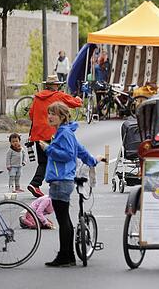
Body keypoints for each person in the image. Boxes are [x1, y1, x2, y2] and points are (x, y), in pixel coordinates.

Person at [39, 102, 103, 267]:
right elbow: (80, 151)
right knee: (65, 219)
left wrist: (48, 149)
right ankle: (69, 256)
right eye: (49, 113)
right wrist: (92, 161)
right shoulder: (67, 133)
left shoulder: (64, 133)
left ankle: (64, 256)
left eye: (53, 114)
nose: (50, 117)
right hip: (63, 180)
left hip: (61, 180)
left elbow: (68, 155)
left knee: (63, 220)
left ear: (62, 116)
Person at [27, 76, 82, 198]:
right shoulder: (58, 96)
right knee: (56, 158)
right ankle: (37, 183)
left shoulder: (37, 97)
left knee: (43, 161)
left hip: (38, 133)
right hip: (51, 133)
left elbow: (31, 115)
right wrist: (78, 99)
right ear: (56, 85)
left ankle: (38, 184)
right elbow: (75, 103)